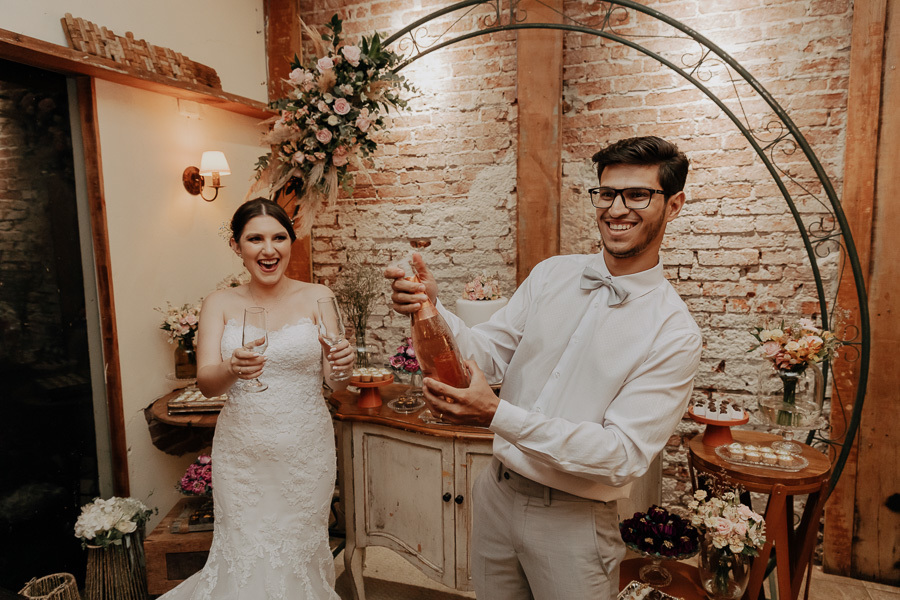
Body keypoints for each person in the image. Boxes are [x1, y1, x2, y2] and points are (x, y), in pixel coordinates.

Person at [385, 136, 702, 600]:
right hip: (495, 494)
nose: (617, 209)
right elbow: (487, 351)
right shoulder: (552, 273)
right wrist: (431, 306)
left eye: (638, 195)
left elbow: (621, 454)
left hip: (573, 520)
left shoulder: (674, 331)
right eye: (607, 193)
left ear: (673, 206)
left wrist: (497, 415)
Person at [160, 198, 354, 599]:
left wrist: (344, 364)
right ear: (236, 246)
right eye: (255, 239)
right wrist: (232, 369)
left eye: (279, 237)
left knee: (299, 550)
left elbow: (336, 385)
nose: (269, 250)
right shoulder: (219, 302)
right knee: (245, 550)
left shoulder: (319, 296)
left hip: (306, 450)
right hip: (243, 453)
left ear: (291, 241)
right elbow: (208, 383)